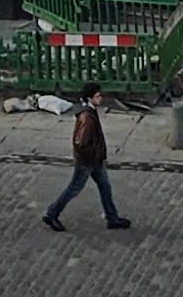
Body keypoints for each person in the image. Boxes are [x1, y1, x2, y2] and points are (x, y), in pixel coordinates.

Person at [45, 95, 130, 228]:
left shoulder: (89, 113)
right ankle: (52, 214)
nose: (101, 98)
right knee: (74, 189)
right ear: (89, 98)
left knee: (105, 186)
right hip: (88, 161)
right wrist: (91, 157)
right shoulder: (87, 117)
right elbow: (81, 142)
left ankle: (112, 218)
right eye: (97, 96)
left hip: (94, 160)